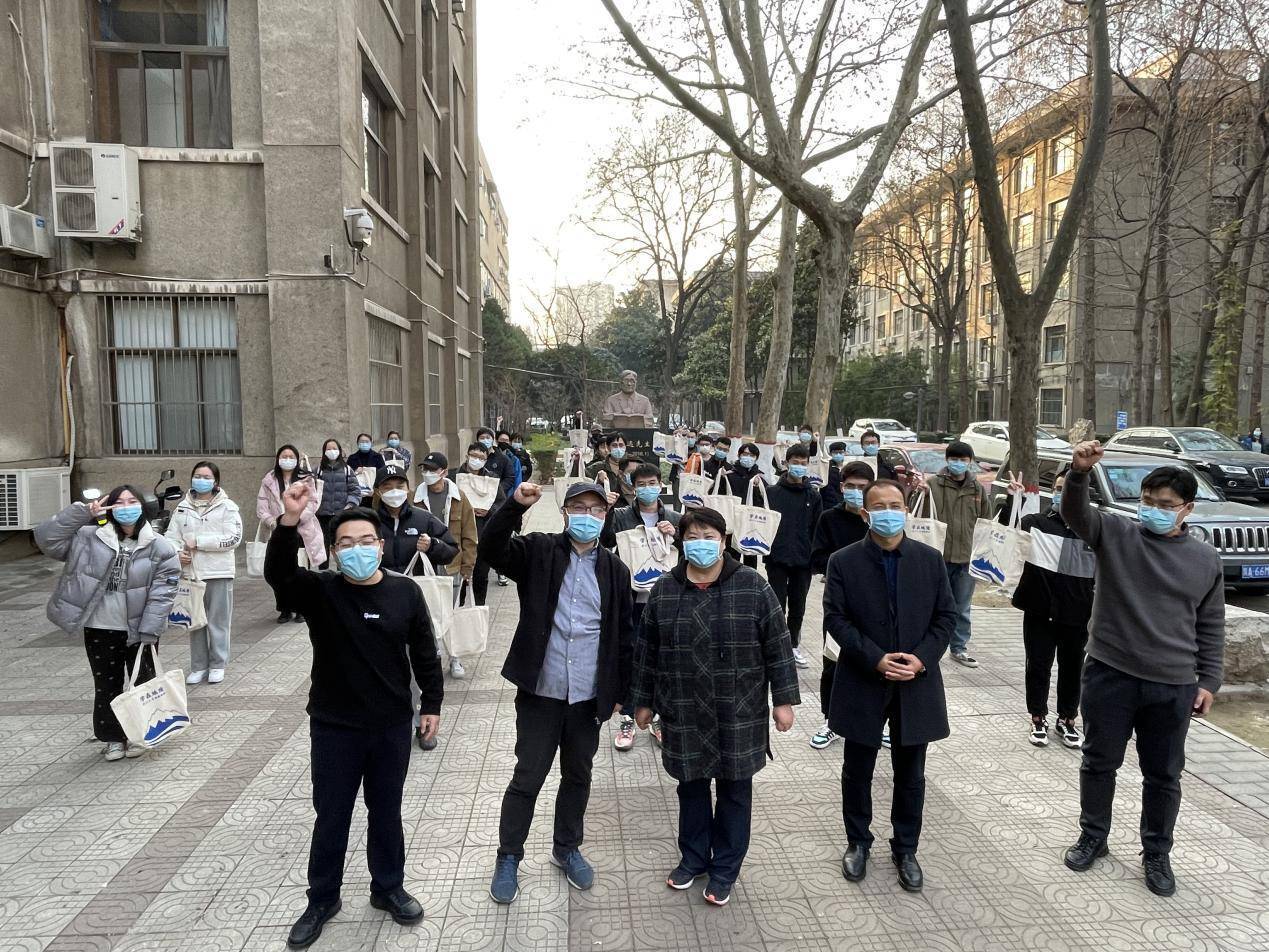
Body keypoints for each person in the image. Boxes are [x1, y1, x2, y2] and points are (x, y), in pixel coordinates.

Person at [264, 487, 442, 948]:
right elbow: (279, 575)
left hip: (390, 725)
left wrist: (432, 705)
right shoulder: (320, 591)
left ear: (381, 545)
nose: (356, 549)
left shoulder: (405, 592)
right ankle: (322, 898)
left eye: (365, 541)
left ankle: (388, 887)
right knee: (332, 815)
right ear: (334, 550)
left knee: (386, 810)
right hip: (334, 726)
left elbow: (425, 651)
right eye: (346, 543)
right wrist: (289, 520)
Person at [1060, 444, 1224, 898]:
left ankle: (1156, 853)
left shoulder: (1204, 560)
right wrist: (1078, 474)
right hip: (1110, 673)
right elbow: (1075, 514)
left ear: (1187, 509)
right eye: (1147, 501)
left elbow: (1211, 625)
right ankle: (1093, 836)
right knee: (1099, 762)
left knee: (1164, 775)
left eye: (1165, 504)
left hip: (1173, 684)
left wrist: (1209, 681)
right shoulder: (1116, 533)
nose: (1152, 509)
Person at [632, 506, 799, 906]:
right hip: (683, 707)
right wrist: (642, 701)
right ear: (682, 543)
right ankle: (693, 858)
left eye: (709, 537)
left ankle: (725, 868)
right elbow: (646, 651)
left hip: (739, 708)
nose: (701, 544)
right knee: (690, 787)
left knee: (735, 791)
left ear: (723, 541)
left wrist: (784, 700)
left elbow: (778, 645)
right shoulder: (665, 589)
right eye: (692, 537)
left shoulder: (753, 586)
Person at [480, 481, 633, 905]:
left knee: (578, 775)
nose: (587, 516)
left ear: (605, 516)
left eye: (596, 510)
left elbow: (624, 635)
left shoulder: (615, 570)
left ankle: (567, 848)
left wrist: (622, 692)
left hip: (587, 696)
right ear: (564, 512)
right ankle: (509, 856)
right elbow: (491, 548)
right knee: (528, 776)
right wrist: (514, 506)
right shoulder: (539, 550)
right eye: (578, 507)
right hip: (542, 691)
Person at [825, 479, 956, 892]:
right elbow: (836, 619)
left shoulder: (929, 559)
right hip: (863, 678)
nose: (888, 512)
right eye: (879, 506)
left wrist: (922, 659)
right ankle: (857, 842)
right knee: (857, 769)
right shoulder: (843, 561)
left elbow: (946, 617)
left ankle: (906, 848)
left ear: (906, 510)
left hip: (916, 682)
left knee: (911, 773)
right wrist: (874, 658)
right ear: (865, 513)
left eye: (895, 505)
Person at [34, 488, 180, 761]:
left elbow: (164, 591)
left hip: (140, 629)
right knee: (106, 684)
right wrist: (82, 513)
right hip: (100, 626)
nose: (126, 507)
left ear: (143, 507)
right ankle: (112, 738)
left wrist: (151, 627)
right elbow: (46, 538)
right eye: (119, 502)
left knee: (142, 682)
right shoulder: (89, 537)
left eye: (132, 501)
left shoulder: (159, 546)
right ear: (109, 508)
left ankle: (141, 734)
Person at [999, 470, 1094, 749]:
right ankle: (1037, 717)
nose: (1062, 494)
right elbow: (1007, 531)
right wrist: (1012, 500)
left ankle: (1067, 719)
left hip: (1079, 614)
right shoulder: (1036, 523)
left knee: (1073, 669)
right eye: (1058, 488)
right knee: (1038, 666)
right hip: (1040, 611)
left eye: (1069, 489)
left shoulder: (1093, 530)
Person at [601, 462, 680, 751]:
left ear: (661, 485)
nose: (647, 488)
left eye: (652, 483)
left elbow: (689, 554)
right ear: (633, 488)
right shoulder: (622, 515)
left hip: (663, 601)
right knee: (631, 657)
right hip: (630, 600)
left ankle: (657, 716)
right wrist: (607, 511)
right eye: (642, 484)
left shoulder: (674, 516)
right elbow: (604, 541)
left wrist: (677, 535)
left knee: (661, 658)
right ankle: (627, 717)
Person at [808, 461, 873, 750]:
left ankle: (878, 721)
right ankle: (831, 721)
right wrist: (848, 566)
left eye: (863, 487)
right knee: (833, 662)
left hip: (876, 604)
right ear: (842, 487)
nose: (857, 492)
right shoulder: (829, 518)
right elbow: (817, 558)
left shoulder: (878, 518)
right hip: (839, 603)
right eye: (852, 486)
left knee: (875, 662)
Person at [165, 462, 243, 686]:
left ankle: (218, 664)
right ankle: (199, 666)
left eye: (206, 477)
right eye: (197, 476)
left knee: (218, 621)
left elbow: (233, 538)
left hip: (219, 572)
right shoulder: (182, 508)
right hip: (192, 573)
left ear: (215, 481)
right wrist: (177, 553)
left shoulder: (228, 507)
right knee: (195, 621)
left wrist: (199, 542)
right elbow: (171, 537)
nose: (201, 480)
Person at [924, 440, 990, 667]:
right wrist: (917, 493)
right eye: (954, 459)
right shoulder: (932, 484)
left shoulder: (977, 489)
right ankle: (927, 647)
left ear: (970, 462)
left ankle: (959, 648)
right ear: (947, 460)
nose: (958, 463)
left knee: (962, 606)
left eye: (963, 460)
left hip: (967, 559)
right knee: (932, 605)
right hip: (937, 557)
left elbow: (985, 522)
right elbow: (920, 516)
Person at [765, 443, 824, 669]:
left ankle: (793, 645)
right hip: (777, 559)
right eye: (795, 462)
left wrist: (815, 559)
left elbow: (817, 528)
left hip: (803, 560)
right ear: (786, 463)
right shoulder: (772, 492)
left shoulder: (813, 495)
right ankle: (776, 646)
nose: (799, 466)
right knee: (777, 604)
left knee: (798, 605)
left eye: (803, 463)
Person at [257, 444, 326, 623]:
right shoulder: (269, 480)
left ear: (297, 460)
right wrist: (274, 522)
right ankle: (284, 608)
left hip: (302, 531)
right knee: (279, 571)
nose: (287, 460)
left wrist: (296, 518)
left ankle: (301, 607)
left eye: (291, 457)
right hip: (279, 532)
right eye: (284, 456)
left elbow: (313, 503)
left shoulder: (306, 479)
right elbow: (262, 507)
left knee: (300, 571)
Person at [368, 465, 458, 578]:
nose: (395, 491)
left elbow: (451, 551)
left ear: (407, 488)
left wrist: (431, 545)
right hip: (380, 585)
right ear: (377, 491)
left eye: (400, 486)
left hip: (417, 586)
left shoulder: (424, 518)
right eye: (388, 487)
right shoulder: (369, 522)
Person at [413, 452, 478, 596]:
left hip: (452, 566)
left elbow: (469, 535)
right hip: (424, 566)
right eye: (425, 469)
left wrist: (467, 568)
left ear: (444, 472)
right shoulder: (414, 498)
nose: (427, 473)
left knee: (450, 608)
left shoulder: (459, 497)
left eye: (432, 470)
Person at [455, 443, 505, 606]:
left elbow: (501, 503)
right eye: (473, 456)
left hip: (483, 532)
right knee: (460, 574)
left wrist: (489, 511)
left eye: (481, 457)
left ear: (486, 459)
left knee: (481, 574)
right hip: (460, 533)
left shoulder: (491, 479)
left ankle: (479, 607)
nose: (476, 460)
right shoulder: (455, 476)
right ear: (467, 456)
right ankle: (458, 605)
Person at [315, 439, 363, 552]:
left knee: (342, 544)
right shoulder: (318, 470)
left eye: (334, 448)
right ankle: (324, 564)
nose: (332, 451)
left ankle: (341, 563)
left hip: (341, 514)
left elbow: (355, 491)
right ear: (324, 451)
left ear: (339, 451)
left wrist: (349, 506)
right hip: (322, 515)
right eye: (328, 449)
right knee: (323, 545)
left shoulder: (347, 470)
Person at [591, 432, 636, 506]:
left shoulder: (634, 466)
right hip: (606, 507)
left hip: (630, 507)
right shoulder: (596, 468)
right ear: (608, 447)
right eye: (614, 445)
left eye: (621, 445)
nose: (618, 449)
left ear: (625, 447)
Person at [475, 427, 515, 500]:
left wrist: (497, 489)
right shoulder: (474, 458)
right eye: (482, 438)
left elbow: (510, 478)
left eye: (488, 438)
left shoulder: (503, 458)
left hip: (497, 498)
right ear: (477, 440)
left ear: (493, 440)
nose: (485, 440)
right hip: (477, 496)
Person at [821, 441, 851, 509]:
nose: (838, 454)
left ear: (845, 452)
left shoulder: (848, 467)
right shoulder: (826, 467)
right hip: (829, 503)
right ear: (830, 454)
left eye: (840, 452)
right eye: (835, 452)